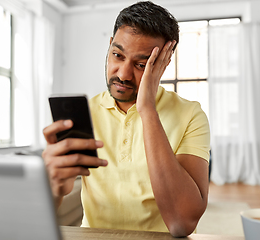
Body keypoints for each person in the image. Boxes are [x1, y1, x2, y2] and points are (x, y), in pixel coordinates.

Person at [42, 1, 210, 237]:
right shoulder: (87, 113)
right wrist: (52, 186)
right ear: (109, 46)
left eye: (141, 64)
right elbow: (41, 216)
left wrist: (148, 110)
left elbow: (181, 222)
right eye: (117, 55)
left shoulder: (191, 115)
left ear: (163, 63)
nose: (122, 74)